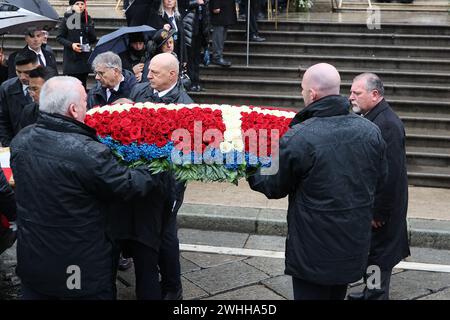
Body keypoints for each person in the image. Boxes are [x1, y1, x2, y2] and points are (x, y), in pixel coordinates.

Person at [10, 76, 171, 300]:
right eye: (85, 102)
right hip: (77, 265)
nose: (89, 106)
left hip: (33, 258)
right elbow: (128, 184)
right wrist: (159, 160)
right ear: (74, 109)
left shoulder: (22, 140)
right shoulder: (88, 153)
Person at [247, 63, 388, 300]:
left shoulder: (300, 136)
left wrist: (251, 163)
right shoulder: (371, 131)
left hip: (313, 250)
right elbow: (381, 179)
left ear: (312, 93)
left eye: (302, 89)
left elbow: (272, 185)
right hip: (352, 243)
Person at [130, 53, 192, 300]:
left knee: (166, 237)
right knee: (143, 236)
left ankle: (172, 287)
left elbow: (184, 157)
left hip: (168, 183)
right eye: (149, 71)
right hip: (140, 177)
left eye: (155, 72)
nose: (148, 76)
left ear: (172, 75)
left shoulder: (185, 106)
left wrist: (175, 193)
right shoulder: (139, 92)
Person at [347, 73, 410, 300]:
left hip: (383, 210)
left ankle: (374, 296)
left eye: (357, 93)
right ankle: (370, 293)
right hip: (378, 206)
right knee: (373, 254)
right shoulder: (374, 117)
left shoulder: (387, 124)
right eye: (351, 92)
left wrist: (378, 212)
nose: (351, 97)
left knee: (378, 256)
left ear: (375, 95)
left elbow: (391, 174)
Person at [0, 51, 38, 147]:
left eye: (27, 72)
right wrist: (8, 145)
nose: (22, 77)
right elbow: (3, 121)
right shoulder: (6, 88)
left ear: (37, 67)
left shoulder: (49, 88)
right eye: (18, 72)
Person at [57, 0, 97, 88]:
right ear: (72, 6)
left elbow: (93, 39)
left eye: (82, 4)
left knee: (83, 86)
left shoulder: (88, 19)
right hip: (72, 59)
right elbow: (59, 37)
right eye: (77, 4)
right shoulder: (67, 19)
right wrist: (71, 45)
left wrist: (89, 28)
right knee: (73, 87)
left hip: (84, 58)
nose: (80, 6)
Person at [209, 0, 236, 67]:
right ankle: (217, 56)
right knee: (219, 35)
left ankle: (218, 55)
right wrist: (216, 5)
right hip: (220, 9)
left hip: (226, 9)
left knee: (222, 35)